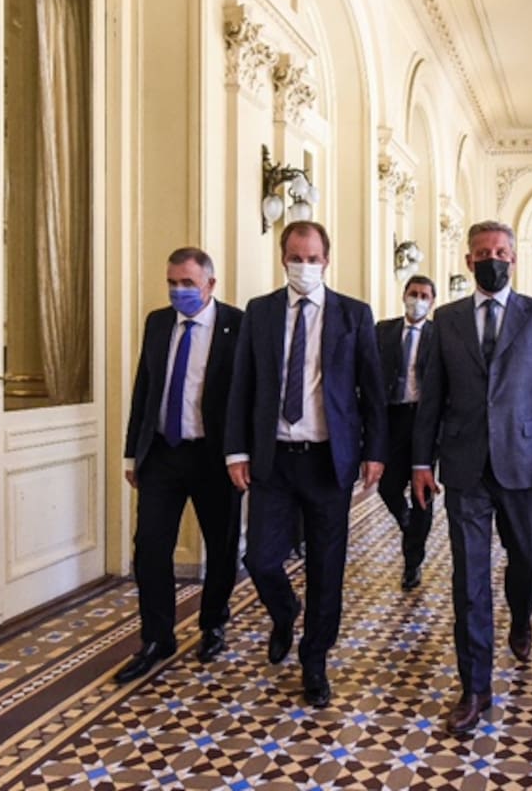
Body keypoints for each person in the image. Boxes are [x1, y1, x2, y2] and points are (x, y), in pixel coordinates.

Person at [412, 220, 532, 735]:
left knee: (526, 560)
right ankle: (475, 687)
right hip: (465, 467)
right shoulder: (446, 319)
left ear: (514, 258)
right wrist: (422, 462)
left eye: (501, 251)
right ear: (469, 261)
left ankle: (524, 613)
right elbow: (431, 399)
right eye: (483, 251)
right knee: (469, 580)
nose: (493, 259)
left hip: (525, 465)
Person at [225, 221, 387, 709]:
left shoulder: (354, 315)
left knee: (325, 567)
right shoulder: (261, 312)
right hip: (273, 459)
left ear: (326, 260)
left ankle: (314, 660)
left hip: (327, 461)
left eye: (313, 257)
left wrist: (374, 451)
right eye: (297, 257)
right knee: (259, 558)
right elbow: (243, 385)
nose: (305, 265)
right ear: (283, 258)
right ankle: (283, 610)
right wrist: (237, 451)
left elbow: (372, 391)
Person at [116, 247, 243, 683]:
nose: (178, 291)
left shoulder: (236, 325)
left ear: (210, 284)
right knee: (150, 546)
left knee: (222, 547)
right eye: (172, 282)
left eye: (187, 283)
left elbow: (247, 398)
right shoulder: (158, 323)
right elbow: (144, 390)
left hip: (214, 456)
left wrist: (242, 455)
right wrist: (133, 452)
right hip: (163, 453)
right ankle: (157, 637)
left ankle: (213, 623)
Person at [376, 275, 436, 590]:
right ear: (404, 296)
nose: (418, 299)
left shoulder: (438, 334)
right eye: (413, 293)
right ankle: (407, 521)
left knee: (421, 492)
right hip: (392, 417)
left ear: (432, 301)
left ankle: (412, 562)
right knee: (387, 486)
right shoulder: (383, 330)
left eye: (425, 295)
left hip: (424, 420)